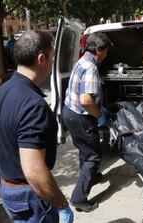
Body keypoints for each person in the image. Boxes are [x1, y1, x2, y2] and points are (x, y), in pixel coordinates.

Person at [0, 31, 73, 222]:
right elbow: (34, 172)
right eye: (53, 57)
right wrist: (62, 204)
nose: (53, 62)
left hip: (7, 185)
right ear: (41, 58)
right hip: (27, 196)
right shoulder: (33, 104)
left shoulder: (5, 88)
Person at [62, 32, 112, 212]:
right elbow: (86, 100)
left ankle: (90, 176)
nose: (106, 55)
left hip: (69, 112)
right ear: (98, 50)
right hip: (81, 116)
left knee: (85, 149)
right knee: (93, 156)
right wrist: (98, 114)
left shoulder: (81, 61)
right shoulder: (90, 67)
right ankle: (79, 198)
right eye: (105, 51)